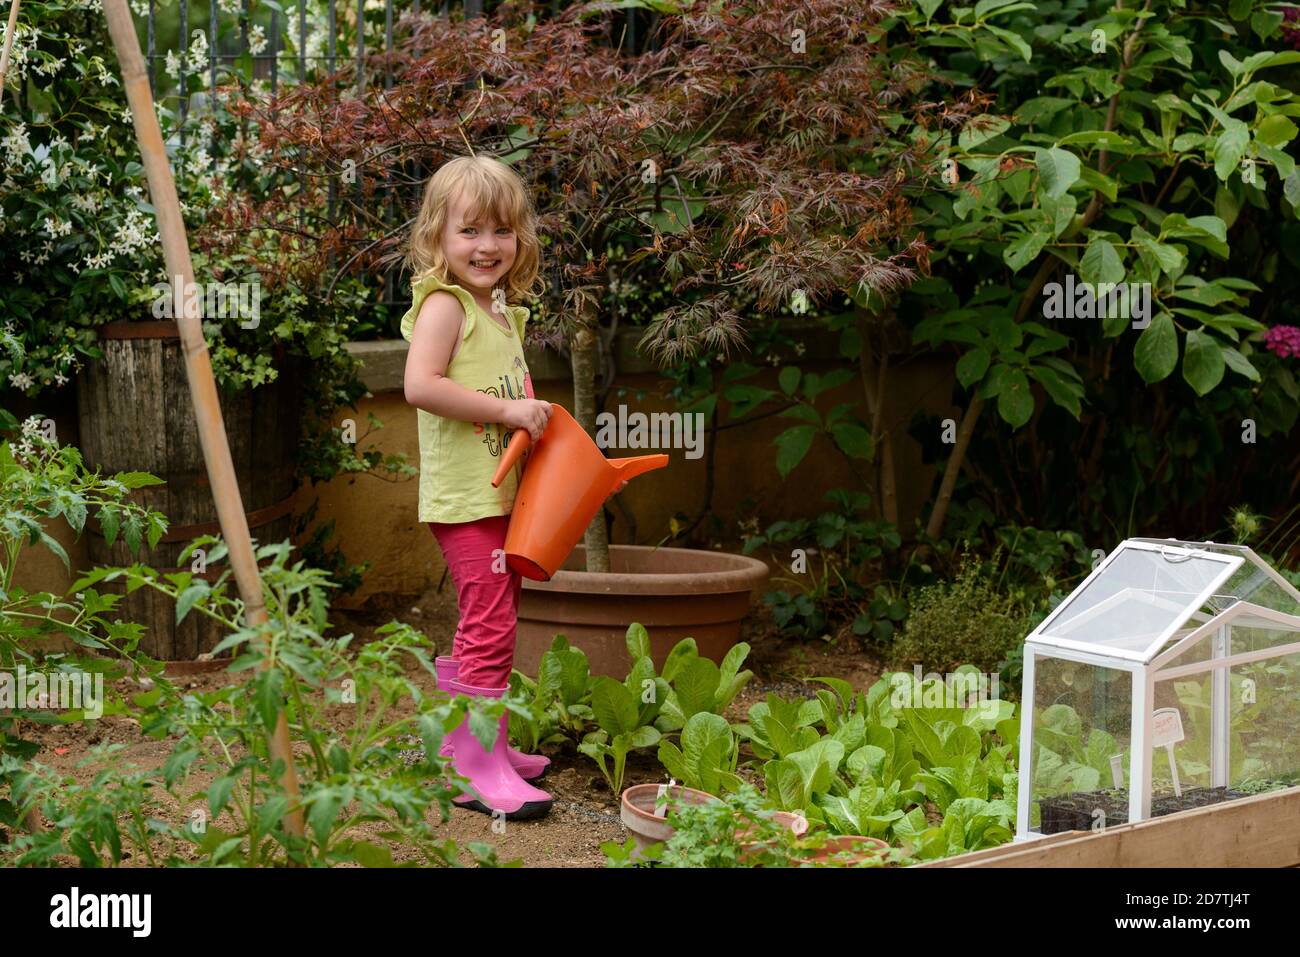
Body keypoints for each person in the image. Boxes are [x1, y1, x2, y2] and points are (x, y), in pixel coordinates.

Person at [401, 154, 624, 820]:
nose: (487, 245)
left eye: (501, 230)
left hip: (500, 495)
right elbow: (421, 386)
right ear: (438, 235)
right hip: (467, 499)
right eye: (470, 231)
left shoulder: (497, 309)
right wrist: (506, 412)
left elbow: (505, 390)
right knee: (490, 625)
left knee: (493, 617)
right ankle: (474, 768)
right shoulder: (445, 306)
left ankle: (470, 744)